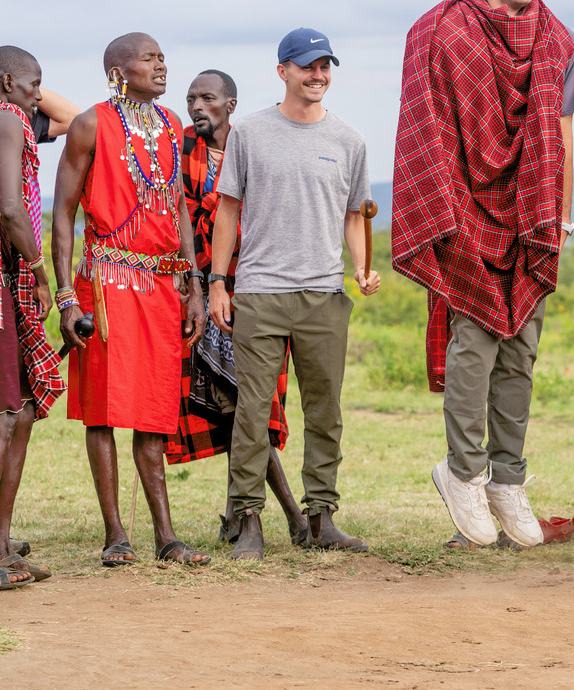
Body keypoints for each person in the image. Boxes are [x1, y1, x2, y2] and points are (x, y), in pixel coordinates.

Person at [392, 0, 574, 549]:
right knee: (475, 346)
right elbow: (424, 126)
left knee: (522, 351)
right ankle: (463, 472)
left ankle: (508, 480)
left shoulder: (559, 40)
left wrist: (560, 215)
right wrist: (444, 211)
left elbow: (562, 135)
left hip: (531, 213)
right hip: (463, 210)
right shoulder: (441, 30)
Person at [208, 29, 379, 560]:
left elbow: (354, 216)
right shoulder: (250, 132)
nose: (317, 75)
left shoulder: (349, 140)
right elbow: (228, 210)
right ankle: (247, 521)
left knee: (325, 410)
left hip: (324, 295)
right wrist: (218, 281)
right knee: (252, 411)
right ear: (282, 71)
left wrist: (361, 269)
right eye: (307, 66)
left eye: (325, 66)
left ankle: (321, 517)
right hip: (260, 292)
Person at [52, 33, 210, 567]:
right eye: (150, 58)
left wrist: (193, 284)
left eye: (163, 57)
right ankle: (116, 535)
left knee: (155, 410)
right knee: (103, 411)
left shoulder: (170, 124)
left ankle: (166, 536)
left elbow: (179, 207)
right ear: (119, 72)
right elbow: (63, 213)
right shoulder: (89, 124)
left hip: (161, 286)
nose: (162, 65)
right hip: (105, 283)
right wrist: (66, 298)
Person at [167, 70, 307, 547]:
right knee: (233, 407)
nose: (196, 107)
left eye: (207, 98)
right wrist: (199, 286)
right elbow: (180, 221)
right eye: (191, 99)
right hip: (204, 292)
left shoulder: (254, 144)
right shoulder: (183, 149)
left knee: (252, 407)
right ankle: (274, 518)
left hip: (261, 289)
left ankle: (258, 516)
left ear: (230, 104)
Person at [0, 46, 68, 589]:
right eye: (33, 84)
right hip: (7, 277)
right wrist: (42, 273)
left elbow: (70, 117)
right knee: (7, 413)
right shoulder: (6, 118)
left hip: (8, 278)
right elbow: (10, 208)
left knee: (20, 408)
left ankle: (3, 544)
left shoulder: (14, 117)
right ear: (7, 83)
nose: (39, 96)